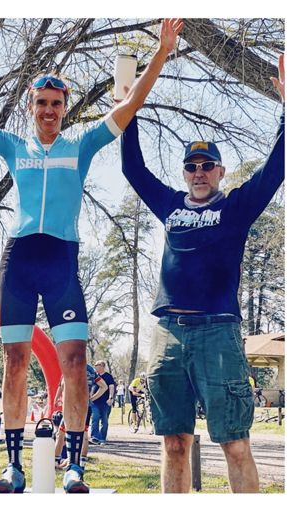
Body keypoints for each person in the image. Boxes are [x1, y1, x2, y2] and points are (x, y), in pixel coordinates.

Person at [0, 18, 183, 493]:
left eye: (56, 103)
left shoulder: (82, 143)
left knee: (74, 361)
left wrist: (160, 52)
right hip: (19, 258)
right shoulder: (13, 146)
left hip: (61, 259)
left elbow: (130, 103)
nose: (49, 111)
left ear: (65, 108)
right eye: (41, 103)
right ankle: (12, 467)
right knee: (15, 360)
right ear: (31, 107)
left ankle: (74, 465)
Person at [120, 39, 285, 493]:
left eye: (207, 165)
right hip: (168, 333)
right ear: (184, 172)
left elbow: (276, 168)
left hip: (218, 331)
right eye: (191, 166)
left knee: (234, 442)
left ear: (220, 171)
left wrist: (290, 111)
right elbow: (134, 170)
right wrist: (129, 108)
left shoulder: (236, 207)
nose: (199, 172)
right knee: (174, 442)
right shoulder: (170, 205)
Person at [54, 365, 108, 479]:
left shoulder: (69, 365)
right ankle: (81, 463)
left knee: (61, 432)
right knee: (84, 434)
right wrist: (92, 398)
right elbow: (104, 386)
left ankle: (55, 461)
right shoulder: (91, 370)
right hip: (85, 405)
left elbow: (63, 385)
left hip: (71, 405)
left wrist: (58, 397)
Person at [89, 360, 116, 444]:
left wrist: (110, 398)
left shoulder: (108, 376)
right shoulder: (94, 376)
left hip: (105, 402)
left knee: (104, 420)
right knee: (95, 417)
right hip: (94, 401)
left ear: (102, 366)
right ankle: (94, 437)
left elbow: (111, 387)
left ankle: (102, 438)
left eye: (97, 365)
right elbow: (91, 387)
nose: (95, 366)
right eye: (95, 365)